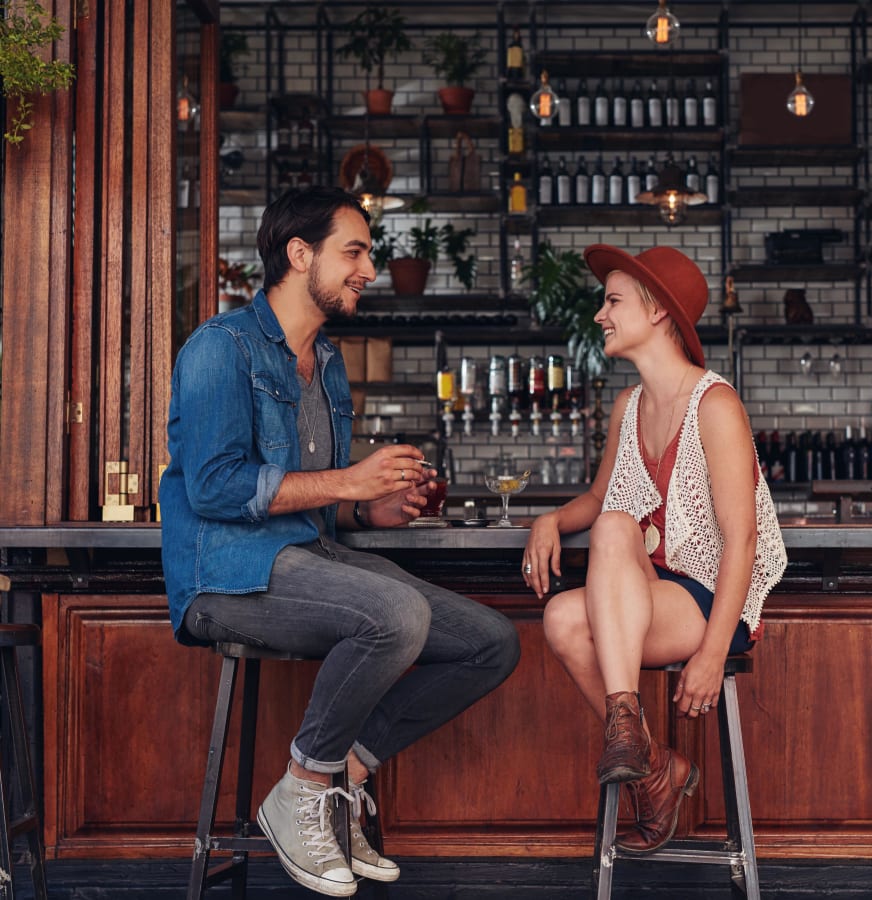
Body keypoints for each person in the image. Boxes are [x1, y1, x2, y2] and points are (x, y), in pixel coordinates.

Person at [160, 187, 520, 897]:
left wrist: (371, 509)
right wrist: (347, 484)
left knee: (492, 641)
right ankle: (298, 790)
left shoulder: (325, 363)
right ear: (300, 255)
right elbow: (213, 489)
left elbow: (320, 498)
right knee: (395, 614)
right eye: (353, 252)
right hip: (224, 574)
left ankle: (339, 780)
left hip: (309, 558)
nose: (368, 270)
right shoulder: (219, 348)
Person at [522, 244, 786, 853]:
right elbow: (598, 496)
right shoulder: (629, 406)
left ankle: (636, 748)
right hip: (654, 590)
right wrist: (551, 520)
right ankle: (653, 760)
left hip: (713, 599)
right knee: (561, 615)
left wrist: (714, 654)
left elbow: (742, 540)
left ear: (659, 312)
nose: (600, 316)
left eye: (612, 301)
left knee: (614, 530)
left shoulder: (716, 406)